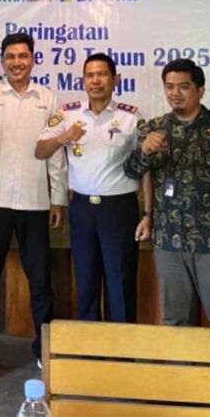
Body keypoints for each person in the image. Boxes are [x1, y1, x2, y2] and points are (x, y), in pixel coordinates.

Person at [124, 58, 210, 405]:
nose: (175, 93)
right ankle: (182, 399)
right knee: (176, 323)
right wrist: (144, 151)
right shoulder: (155, 128)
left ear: (200, 89)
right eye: (169, 87)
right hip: (169, 239)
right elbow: (132, 171)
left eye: (183, 87)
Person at [0, 33, 67, 381]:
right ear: (2, 60)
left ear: (33, 59)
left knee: (41, 281)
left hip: (35, 203)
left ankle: (44, 349)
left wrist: (58, 197)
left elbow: (56, 150)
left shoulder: (47, 98)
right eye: (10, 56)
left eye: (23, 56)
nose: (17, 62)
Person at [36, 53, 152, 323]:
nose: (95, 81)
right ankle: (89, 345)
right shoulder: (68, 114)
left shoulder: (131, 117)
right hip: (82, 209)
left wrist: (148, 213)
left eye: (102, 75)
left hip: (119, 209)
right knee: (86, 281)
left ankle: (121, 345)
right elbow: (40, 151)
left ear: (115, 80)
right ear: (83, 80)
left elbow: (146, 168)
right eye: (90, 75)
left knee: (120, 283)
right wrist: (65, 137)